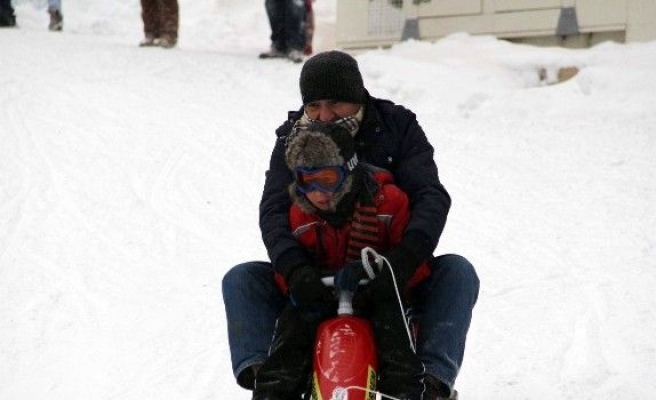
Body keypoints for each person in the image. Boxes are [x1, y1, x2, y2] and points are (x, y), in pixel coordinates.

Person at [222, 50, 480, 400]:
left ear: (356, 95)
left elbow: (430, 196)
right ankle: (268, 376)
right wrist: (296, 270)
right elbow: (273, 211)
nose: (324, 116)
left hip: (387, 265)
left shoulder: (396, 126)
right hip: (316, 272)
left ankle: (431, 381)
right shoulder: (293, 140)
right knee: (243, 279)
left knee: (456, 272)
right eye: (313, 106)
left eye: (335, 103)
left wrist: (400, 263)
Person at [252, 121, 426, 400]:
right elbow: (285, 273)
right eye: (307, 181)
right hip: (323, 295)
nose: (318, 192)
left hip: (378, 295)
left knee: (394, 335)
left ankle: (404, 395)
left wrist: (380, 270)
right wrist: (304, 279)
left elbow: (413, 265)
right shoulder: (301, 217)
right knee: (294, 330)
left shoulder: (389, 203)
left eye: (328, 179)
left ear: (349, 170)